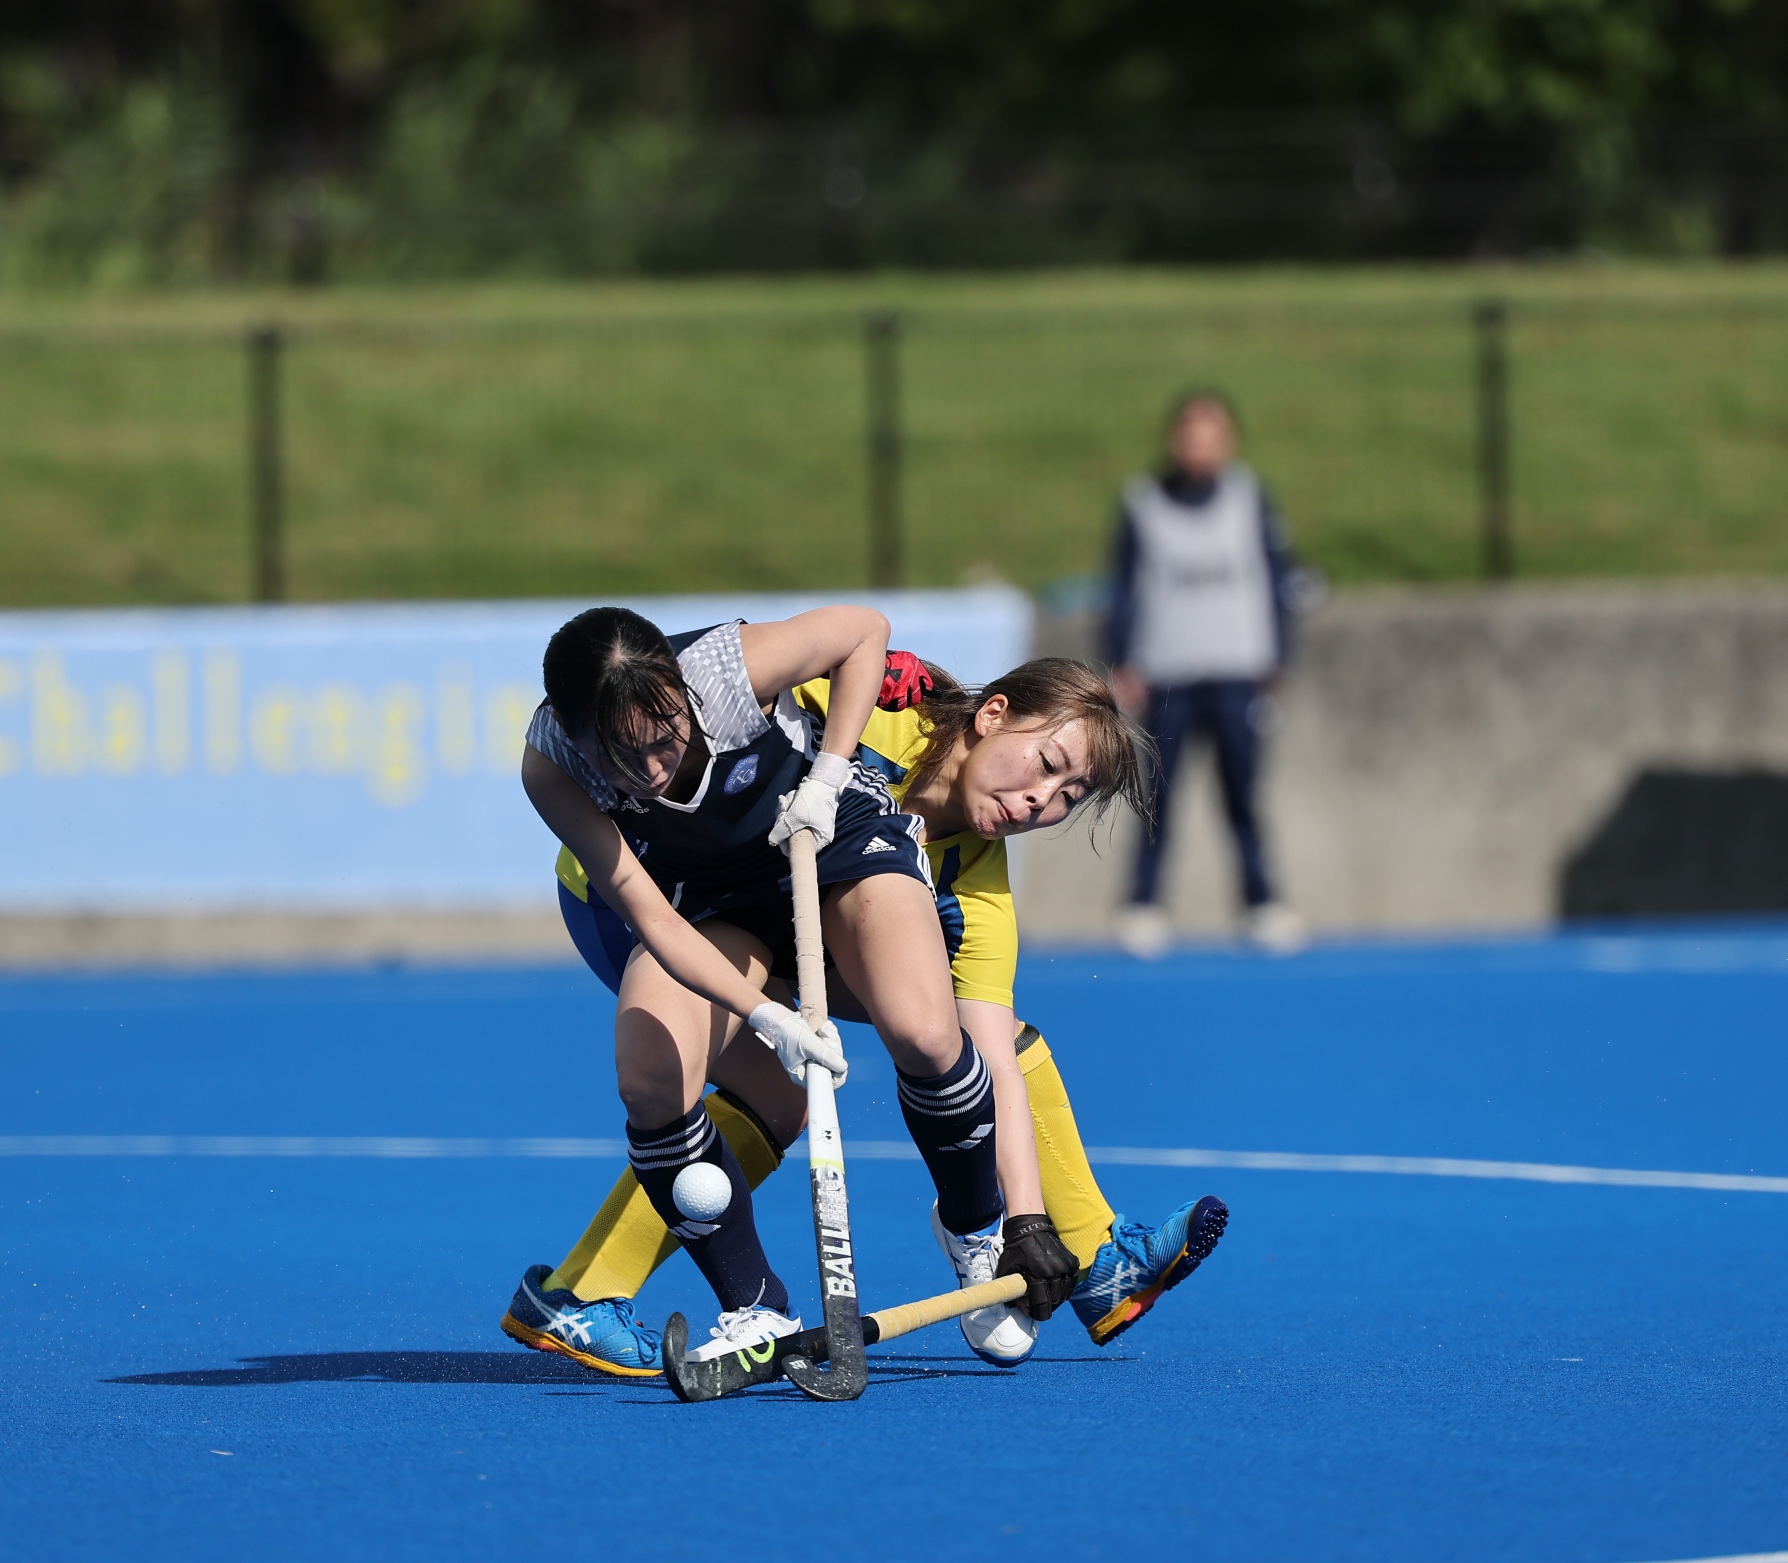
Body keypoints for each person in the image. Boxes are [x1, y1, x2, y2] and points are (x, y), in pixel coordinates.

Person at [503, 651, 1232, 1377]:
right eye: (1046, 763)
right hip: (641, 894)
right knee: (713, 1086)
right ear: (992, 714)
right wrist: (847, 668)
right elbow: (734, 694)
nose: (1043, 800)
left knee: (951, 1040)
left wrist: (1026, 1220)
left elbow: (992, 1060)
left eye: (1070, 795)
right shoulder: (880, 716)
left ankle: (1090, 1255)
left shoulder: (977, 887)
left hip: (773, 920)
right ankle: (582, 1293)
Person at [1105, 389, 1307, 959]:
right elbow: (1122, 587)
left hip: (1238, 672)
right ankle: (1143, 903)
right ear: (1174, 440)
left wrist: (1279, 655)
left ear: (1228, 441)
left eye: (1211, 436)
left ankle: (1261, 901)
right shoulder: (1143, 502)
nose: (1199, 447)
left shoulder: (1250, 497)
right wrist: (1121, 659)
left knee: (1243, 794)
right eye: (1190, 435)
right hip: (1168, 674)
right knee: (1158, 797)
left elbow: (1277, 579)